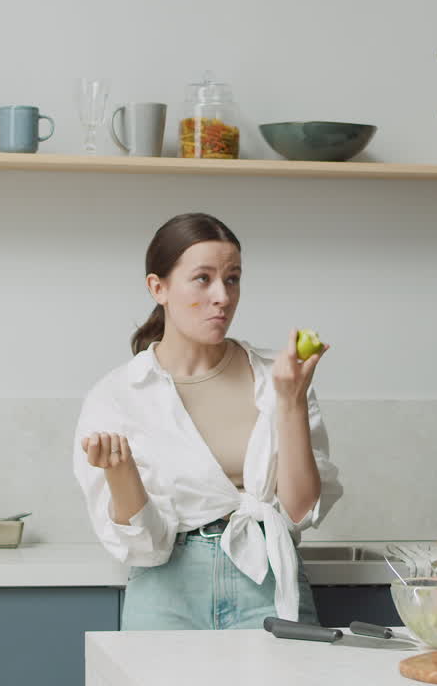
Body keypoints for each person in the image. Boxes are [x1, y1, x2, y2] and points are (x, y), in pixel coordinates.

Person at [73, 212, 341, 629]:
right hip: (167, 592)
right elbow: (144, 547)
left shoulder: (278, 376)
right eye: (203, 279)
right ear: (158, 287)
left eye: (232, 279)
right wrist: (121, 474)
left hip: (267, 583)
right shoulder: (117, 396)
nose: (223, 296)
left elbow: (299, 511)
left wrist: (291, 403)